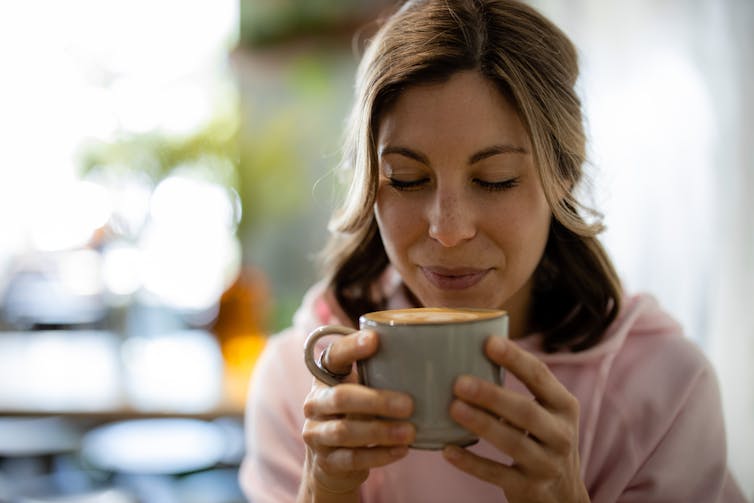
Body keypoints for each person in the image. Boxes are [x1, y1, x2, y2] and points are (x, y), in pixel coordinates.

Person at [239, 1, 747, 502]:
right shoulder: (300, 388)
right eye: (407, 179)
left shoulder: (664, 391)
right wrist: (324, 490)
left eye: (494, 180)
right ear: (371, 184)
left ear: (563, 176)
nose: (448, 229)